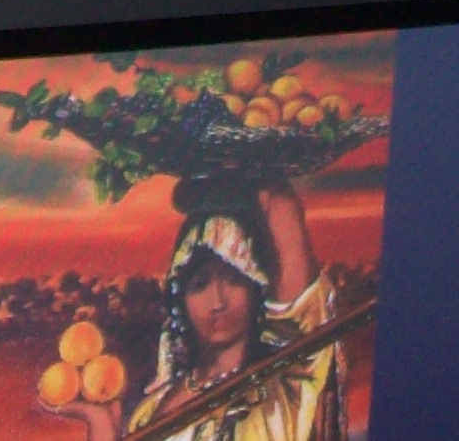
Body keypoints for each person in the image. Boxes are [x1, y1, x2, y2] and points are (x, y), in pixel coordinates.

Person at [45, 179, 344, 441]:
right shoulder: (152, 409)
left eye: (235, 280)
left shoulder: (284, 378)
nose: (218, 301)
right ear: (181, 298)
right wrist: (100, 422)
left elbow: (286, 226)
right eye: (200, 285)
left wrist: (258, 165)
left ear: (257, 287)